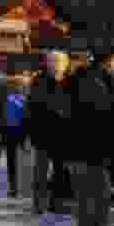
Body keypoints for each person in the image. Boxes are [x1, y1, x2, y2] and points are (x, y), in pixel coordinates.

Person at [66, 52, 114, 226]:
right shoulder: (96, 84)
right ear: (107, 62)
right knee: (95, 200)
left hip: (79, 151)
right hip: (91, 152)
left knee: (89, 200)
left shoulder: (77, 81)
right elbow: (103, 118)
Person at [27, 50, 71, 214]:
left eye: (61, 63)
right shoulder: (40, 81)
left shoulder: (68, 81)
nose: (58, 66)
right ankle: (40, 203)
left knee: (59, 170)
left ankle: (55, 202)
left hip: (60, 133)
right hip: (44, 133)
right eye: (55, 62)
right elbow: (33, 107)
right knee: (42, 170)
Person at [3, 73, 30, 198]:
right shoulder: (25, 101)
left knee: (12, 162)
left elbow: (4, 118)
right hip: (20, 132)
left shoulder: (9, 100)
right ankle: (19, 187)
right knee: (20, 161)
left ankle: (14, 187)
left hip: (11, 133)